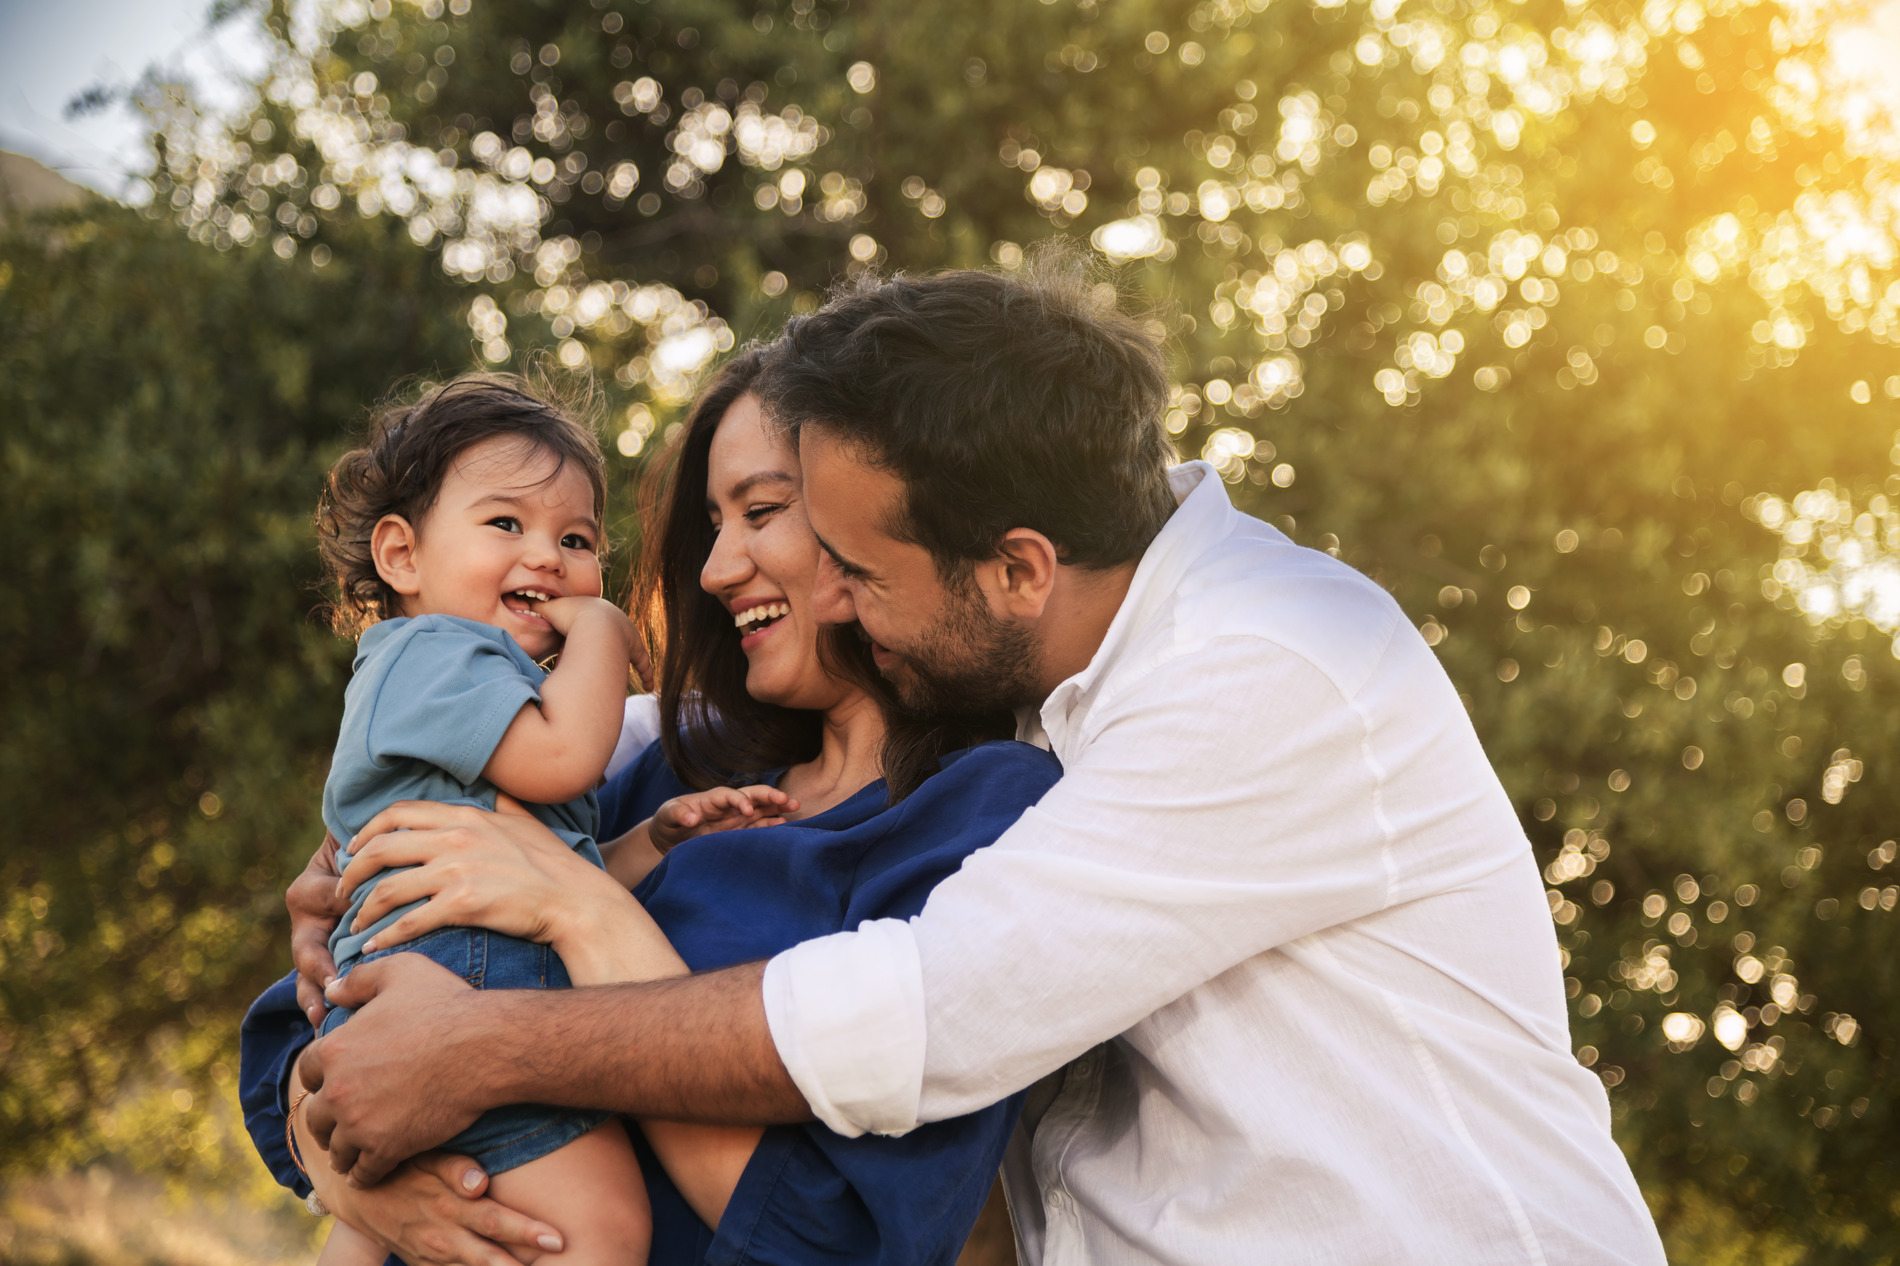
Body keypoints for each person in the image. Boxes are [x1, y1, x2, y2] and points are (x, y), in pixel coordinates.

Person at [281, 254, 1668, 1264]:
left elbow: (925, 1015)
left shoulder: (1262, 670)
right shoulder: (1028, 684)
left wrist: (497, 1030)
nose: (818, 591)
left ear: (1015, 569)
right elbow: (369, 944)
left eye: (852, 561)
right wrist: (364, 1155)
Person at [243, 351, 1062, 1265]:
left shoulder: (988, 815)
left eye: (761, 512)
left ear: (879, 517)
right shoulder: (667, 762)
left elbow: (835, 1240)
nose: (713, 569)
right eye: (712, 523)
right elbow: (302, 1044)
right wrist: (365, 1187)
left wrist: (580, 911)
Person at [301, 373, 653, 1265]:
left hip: (442, 976)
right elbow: (567, 759)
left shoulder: (481, 687)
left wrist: (658, 837)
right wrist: (607, 632)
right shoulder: (435, 653)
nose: (547, 557)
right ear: (402, 556)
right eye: (507, 524)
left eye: (577, 540)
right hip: (459, 983)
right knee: (602, 1228)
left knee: (374, 1226)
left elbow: (551, 872)